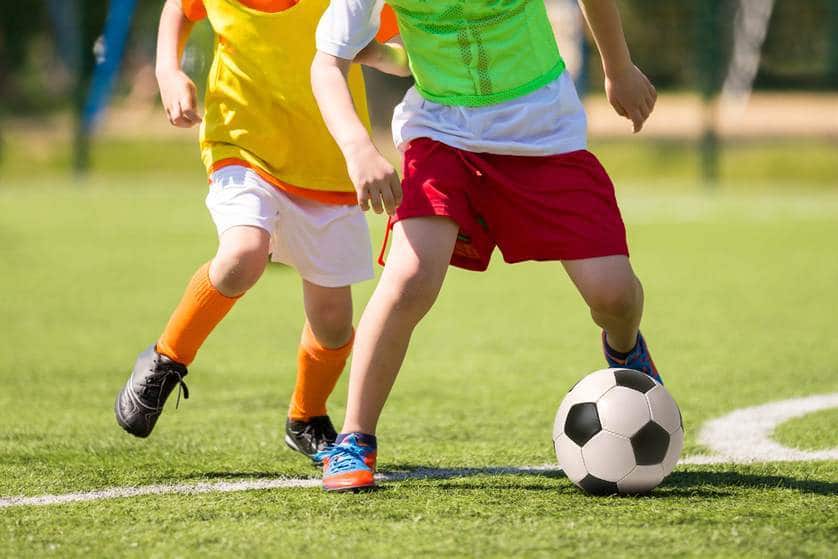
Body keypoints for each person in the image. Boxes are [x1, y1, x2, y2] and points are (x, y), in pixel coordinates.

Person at [310, 0, 660, 490]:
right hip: (442, 132)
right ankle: (354, 438)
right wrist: (358, 148)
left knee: (614, 295)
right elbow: (327, 62)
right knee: (410, 278)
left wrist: (618, 68)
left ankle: (625, 351)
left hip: (546, 135)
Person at [114, 0, 405, 463]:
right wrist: (169, 72)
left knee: (332, 324)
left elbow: (399, 45)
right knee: (243, 255)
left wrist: (396, 59)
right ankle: (166, 358)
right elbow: (178, 10)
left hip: (327, 165)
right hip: (243, 144)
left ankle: (306, 418)